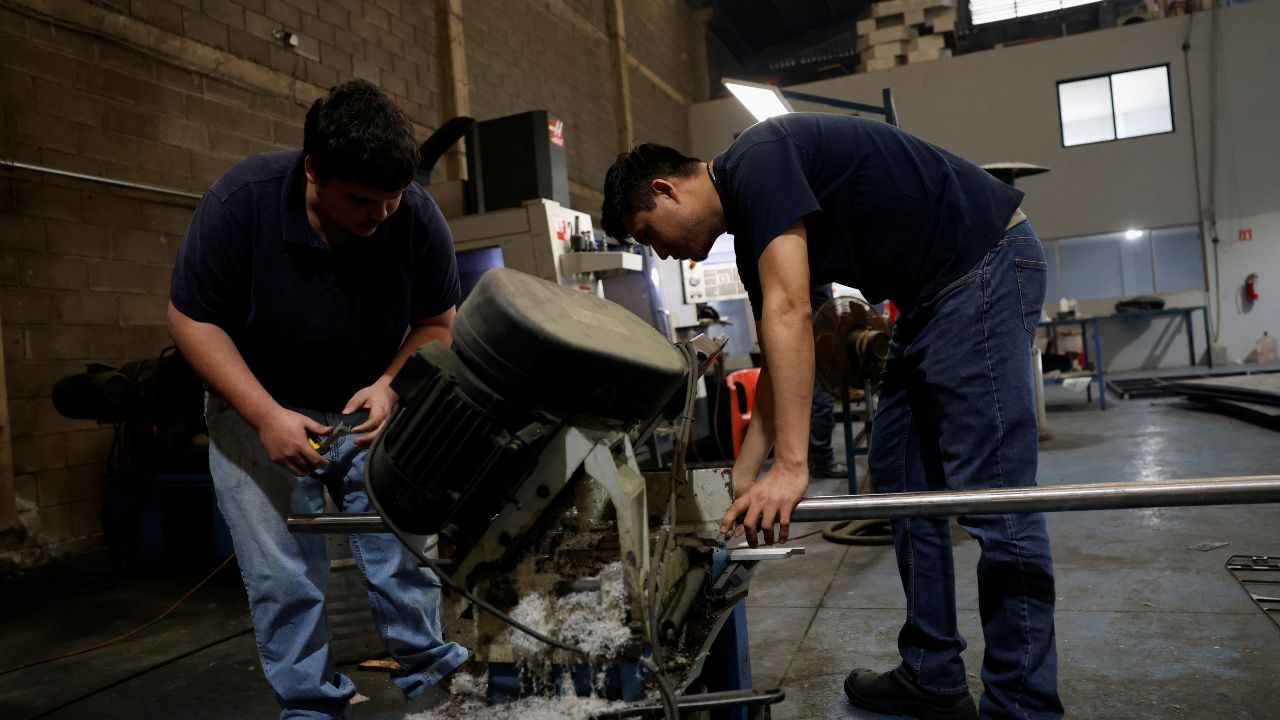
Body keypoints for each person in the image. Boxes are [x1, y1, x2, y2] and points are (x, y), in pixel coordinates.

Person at [601, 113, 1062, 720]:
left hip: (984, 263)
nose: (662, 252)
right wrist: (745, 471)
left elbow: (791, 310)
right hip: (928, 299)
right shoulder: (753, 230)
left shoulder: (758, 159)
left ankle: (1023, 707)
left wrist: (793, 466)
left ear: (665, 190)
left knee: (996, 498)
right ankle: (932, 671)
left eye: (649, 234)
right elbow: (782, 351)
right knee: (897, 481)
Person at [168, 80, 469, 719]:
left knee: (405, 557)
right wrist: (263, 414)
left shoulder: (413, 213)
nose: (380, 215)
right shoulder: (242, 200)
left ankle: (439, 692)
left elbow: (437, 323)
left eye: (391, 199)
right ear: (313, 169)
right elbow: (192, 320)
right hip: (259, 404)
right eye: (363, 200)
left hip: (368, 404)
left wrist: (391, 383)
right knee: (282, 579)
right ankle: (309, 708)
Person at [807, 282, 847, 480]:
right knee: (822, 401)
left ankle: (815, 458)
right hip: (815, 340)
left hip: (819, 337)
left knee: (818, 401)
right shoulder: (811, 266)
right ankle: (822, 461)